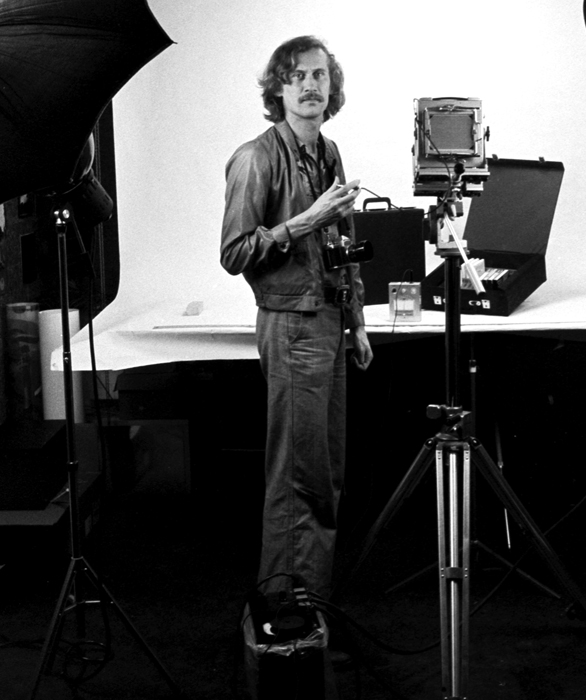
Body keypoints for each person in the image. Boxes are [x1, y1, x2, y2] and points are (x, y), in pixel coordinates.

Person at [220, 35, 373, 605]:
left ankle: (312, 599)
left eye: (319, 75)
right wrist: (305, 219)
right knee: (296, 477)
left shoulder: (328, 152)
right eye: (297, 76)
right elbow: (235, 252)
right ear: (278, 90)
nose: (310, 86)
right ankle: (285, 608)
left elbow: (341, 241)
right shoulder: (255, 158)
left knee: (325, 471)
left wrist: (356, 319)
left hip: (329, 322)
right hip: (290, 327)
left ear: (332, 86)